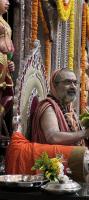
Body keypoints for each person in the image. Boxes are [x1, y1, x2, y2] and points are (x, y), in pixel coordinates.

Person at [31, 68, 89, 146]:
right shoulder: (49, 107)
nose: (73, 86)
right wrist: (87, 132)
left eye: (75, 83)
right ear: (55, 86)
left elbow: (78, 135)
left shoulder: (70, 109)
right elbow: (53, 137)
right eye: (68, 82)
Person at [0, 0, 15, 137]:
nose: (8, 3)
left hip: (5, 62)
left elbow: (8, 45)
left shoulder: (4, 21)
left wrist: (10, 61)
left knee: (9, 93)